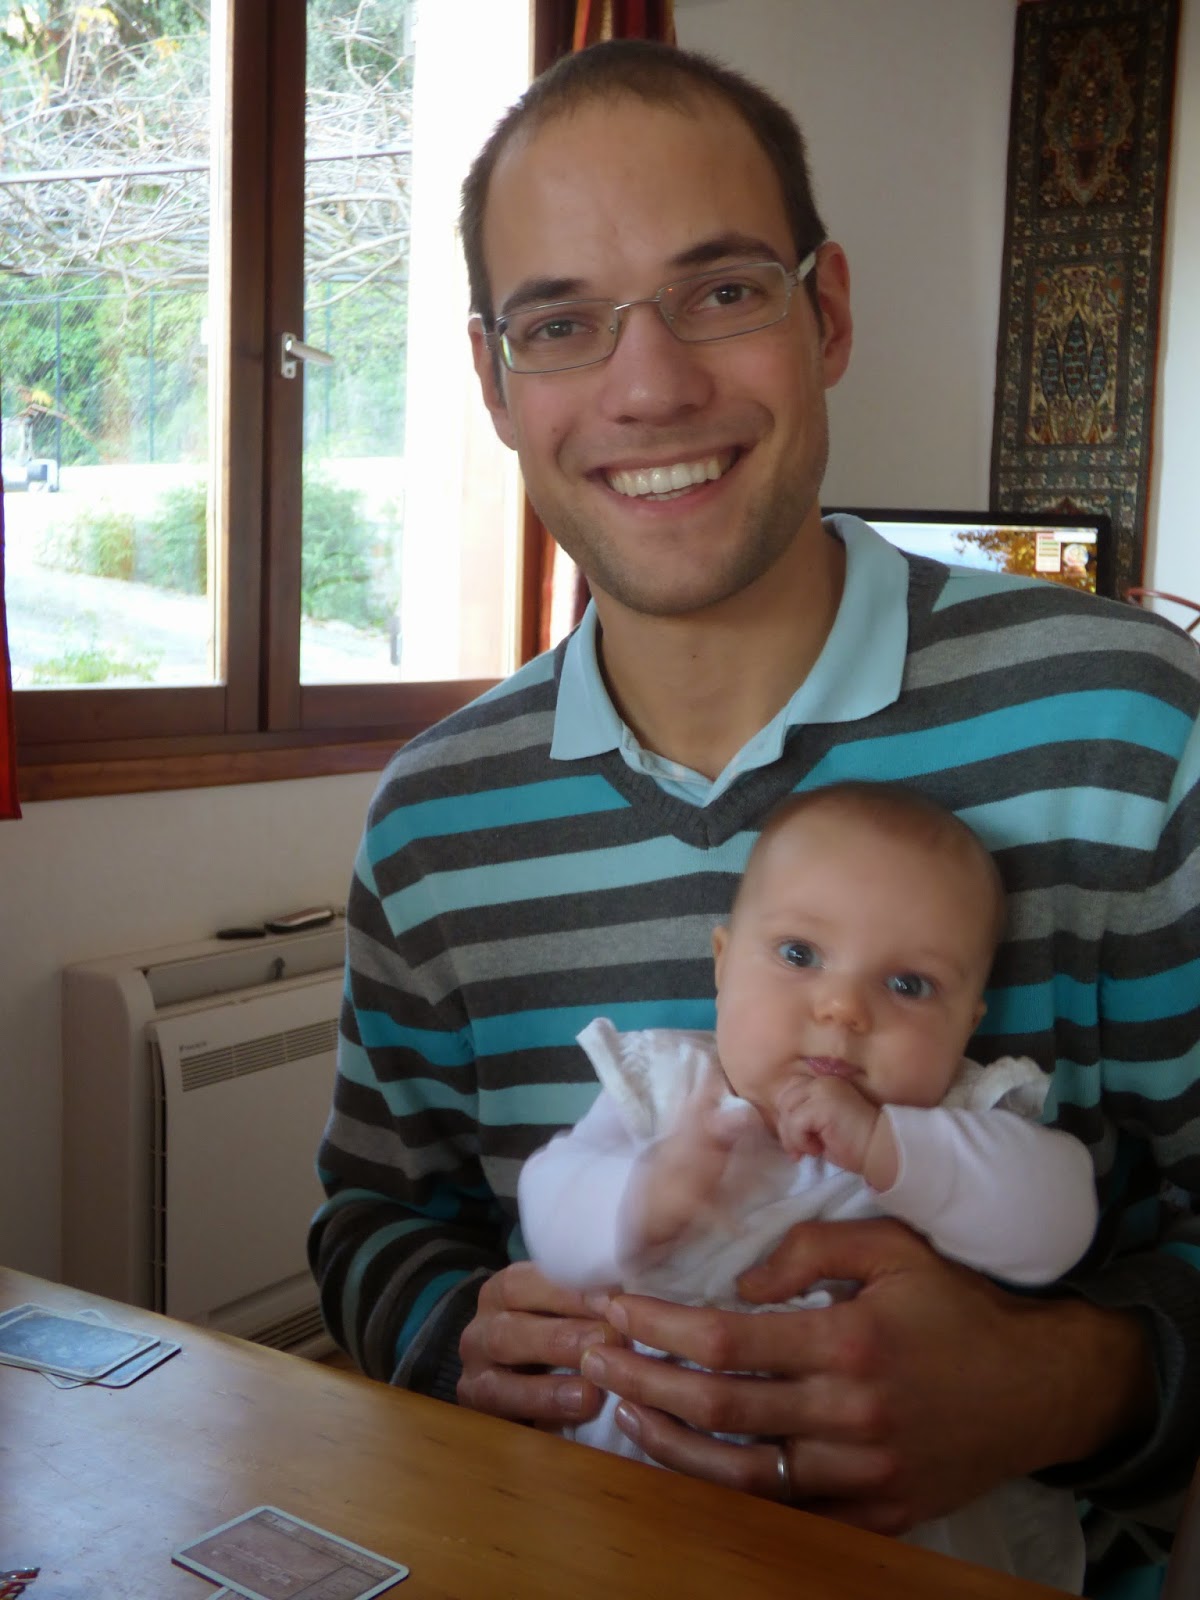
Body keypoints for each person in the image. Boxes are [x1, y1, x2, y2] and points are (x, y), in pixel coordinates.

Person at [309, 38, 1200, 1594]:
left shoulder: (1134, 728)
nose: (650, 386)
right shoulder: (432, 822)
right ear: (496, 382)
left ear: (826, 312)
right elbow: (376, 1220)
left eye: (720, 291)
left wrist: (1062, 1385)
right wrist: (456, 1334)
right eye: (561, 323)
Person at [519, 782, 1098, 1589]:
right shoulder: (667, 1089)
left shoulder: (953, 1122)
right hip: (640, 1500)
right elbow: (548, 1196)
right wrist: (640, 1197)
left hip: (883, 1522)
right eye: (799, 955)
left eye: (909, 985)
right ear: (722, 962)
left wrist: (887, 1148)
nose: (842, 1008)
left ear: (968, 1021)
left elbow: (1058, 1224)